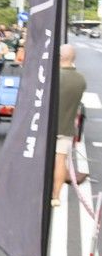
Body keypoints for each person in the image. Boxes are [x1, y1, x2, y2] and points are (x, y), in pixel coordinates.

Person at [52, 44, 88, 207]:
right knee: (61, 161)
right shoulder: (81, 80)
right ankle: (56, 196)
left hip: (48, 126)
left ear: (60, 57)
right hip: (66, 127)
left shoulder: (53, 77)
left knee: (41, 159)